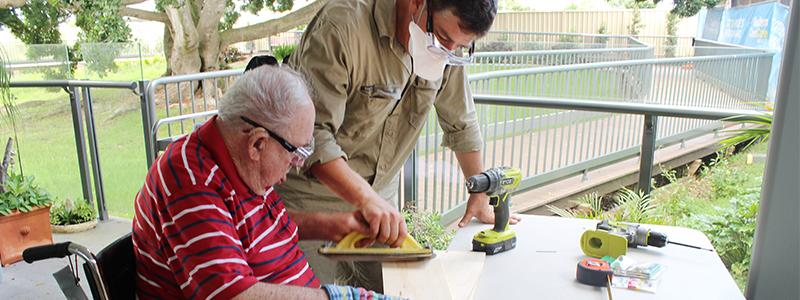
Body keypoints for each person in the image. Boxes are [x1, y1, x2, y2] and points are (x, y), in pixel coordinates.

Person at [276, 0, 521, 291]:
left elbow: (461, 121)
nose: (446, 51)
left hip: (381, 206)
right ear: (417, 3)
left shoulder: (446, 49)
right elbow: (312, 138)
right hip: (309, 203)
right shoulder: (341, 27)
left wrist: (479, 194)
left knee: (397, 290)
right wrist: (367, 199)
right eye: (443, 38)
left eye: (459, 46)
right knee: (308, 294)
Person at [131, 63, 405, 300]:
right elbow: (233, 295)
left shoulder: (241, 164)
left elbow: (256, 230)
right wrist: (342, 296)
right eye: (295, 153)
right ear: (257, 143)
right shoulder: (190, 183)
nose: (297, 166)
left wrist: (330, 225)